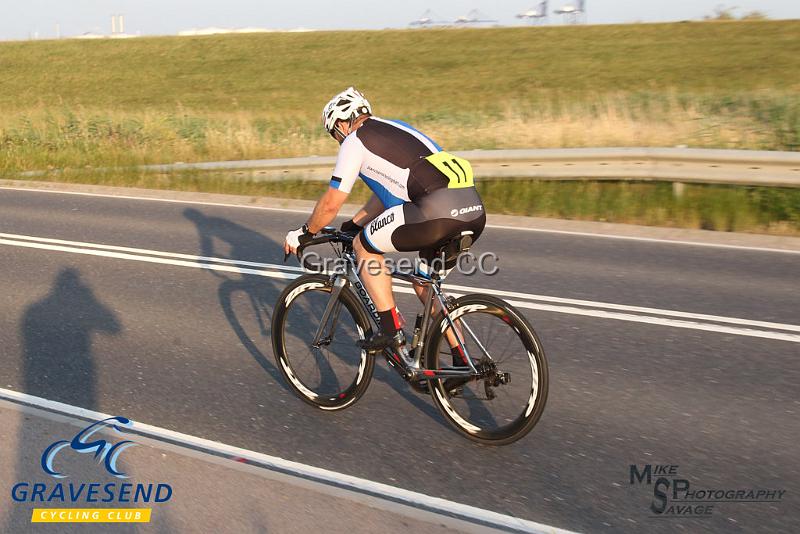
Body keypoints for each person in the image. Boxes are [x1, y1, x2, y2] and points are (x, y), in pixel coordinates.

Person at [284, 87, 486, 368]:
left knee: (364, 247)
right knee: (425, 284)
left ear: (342, 123)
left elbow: (331, 202)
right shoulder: (396, 127)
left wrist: (305, 232)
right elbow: (386, 192)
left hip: (435, 211)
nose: (337, 140)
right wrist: (354, 223)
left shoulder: (354, 141)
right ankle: (463, 362)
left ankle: (390, 330)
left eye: (333, 133)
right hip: (472, 209)